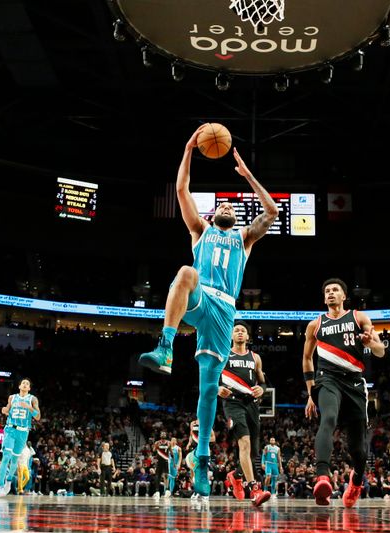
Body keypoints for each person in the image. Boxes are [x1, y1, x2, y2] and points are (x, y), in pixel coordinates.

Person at [138, 126, 278, 501]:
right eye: (223, 206)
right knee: (185, 272)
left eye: (233, 206)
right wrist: (187, 149)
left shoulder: (244, 238)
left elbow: (273, 211)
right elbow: (182, 191)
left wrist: (248, 177)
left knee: (208, 388)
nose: (228, 208)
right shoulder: (200, 230)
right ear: (213, 213)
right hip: (201, 298)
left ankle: (201, 459)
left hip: (224, 313)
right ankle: (165, 346)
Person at [303, 278, 386, 508]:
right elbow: (307, 358)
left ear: (343, 296)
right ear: (324, 298)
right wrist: (311, 393)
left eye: (335, 290)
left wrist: (370, 343)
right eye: (327, 290)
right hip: (327, 379)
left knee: (357, 449)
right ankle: (322, 478)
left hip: (355, 384)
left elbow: (380, 352)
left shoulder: (359, 318)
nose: (330, 293)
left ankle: (356, 480)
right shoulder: (316, 325)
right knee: (328, 418)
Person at [219, 322, 270, 506]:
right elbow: (210, 377)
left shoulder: (255, 357)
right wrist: (218, 388)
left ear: (248, 337)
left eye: (243, 331)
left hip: (251, 404)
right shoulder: (224, 354)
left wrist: (261, 389)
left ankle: (236, 475)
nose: (240, 333)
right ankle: (254, 489)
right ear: (232, 335)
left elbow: (263, 382)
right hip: (232, 403)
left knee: (253, 451)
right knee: (245, 443)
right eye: (237, 330)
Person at [0, 378, 41, 496]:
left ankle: (9, 479)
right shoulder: (12, 397)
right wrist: (5, 410)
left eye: (27, 384)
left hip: (23, 432)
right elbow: (7, 409)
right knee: (6, 457)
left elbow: (37, 417)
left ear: (29, 388)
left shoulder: (32, 399)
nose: (25, 384)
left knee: (14, 460)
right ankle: (1, 486)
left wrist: (28, 407)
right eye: (23, 383)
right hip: (10, 429)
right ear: (19, 386)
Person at [152, 431, 170, 499]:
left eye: (164, 434)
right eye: (162, 434)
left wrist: (174, 463)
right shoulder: (157, 442)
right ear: (160, 435)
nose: (163, 434)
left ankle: (167, 490)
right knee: (158, 476)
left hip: (165, 461)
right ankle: (157, 492)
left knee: (166, 476)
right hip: (159, 461)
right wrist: (155, 446)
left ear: (166, 435)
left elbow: (171, 452)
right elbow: (154, 450)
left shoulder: (168, 442)